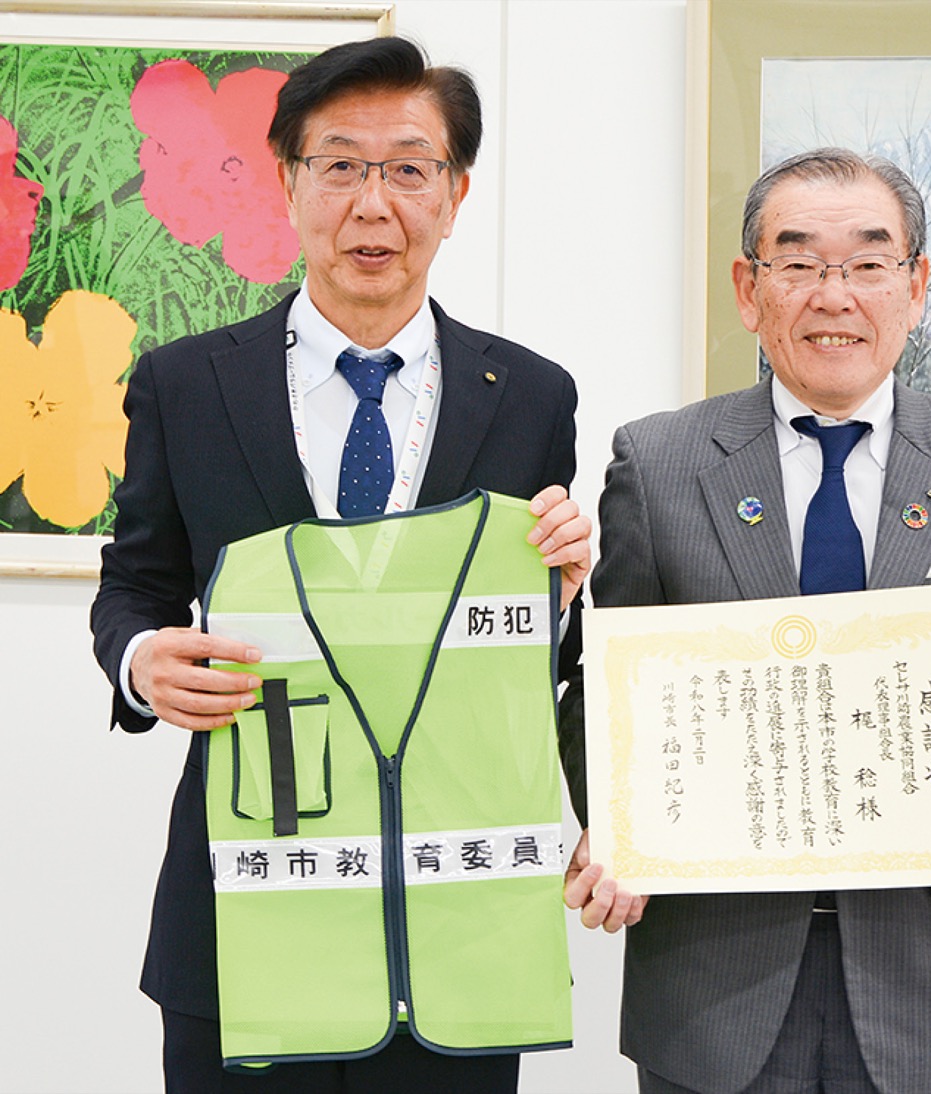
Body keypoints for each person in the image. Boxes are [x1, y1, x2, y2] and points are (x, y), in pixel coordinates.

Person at [91, 36, 589, 1093]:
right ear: (288, 182)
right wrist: (141, 661)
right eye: (341, 166)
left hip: (452, 919)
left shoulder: (532, 396)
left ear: (454, 195)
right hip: (248, 889)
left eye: (408, 168)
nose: (373, 204)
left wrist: (560, 593)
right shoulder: (187, 384)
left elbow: (535, 653)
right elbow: (136, 580)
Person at [561, 148, 931, 1094]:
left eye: (868, 263)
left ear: (915, 287)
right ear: (750, 289)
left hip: (928, 983)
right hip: (713, 988)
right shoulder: (658, 463)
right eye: (800, 262)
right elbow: (602, 692)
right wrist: (615, 823)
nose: (833, 295)